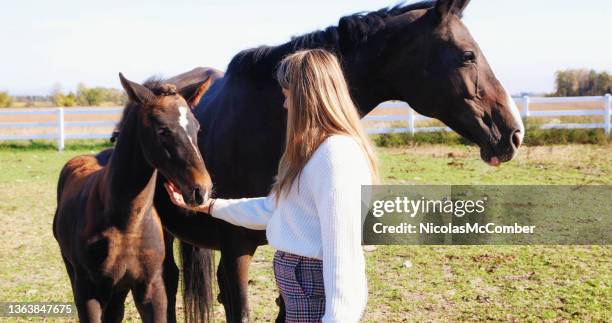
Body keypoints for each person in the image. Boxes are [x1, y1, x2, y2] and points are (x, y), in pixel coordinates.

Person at [165, 48, 379, 322]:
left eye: (287, 95)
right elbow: (276, 209)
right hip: (303, 291)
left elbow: (343, 252)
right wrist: (208, 207)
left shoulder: (335, 156)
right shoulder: (314, 152)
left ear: (307, 98)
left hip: (315, 296)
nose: (284, 105)